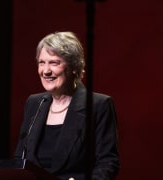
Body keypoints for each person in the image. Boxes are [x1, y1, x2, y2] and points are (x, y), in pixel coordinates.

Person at [14, 31, 120, 180]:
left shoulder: (97, 105)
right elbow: (20, 157)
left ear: (74, 66)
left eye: (54, 63)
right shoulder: (34, 103)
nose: (46, 71)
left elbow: (108, 162)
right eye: (41, 63)